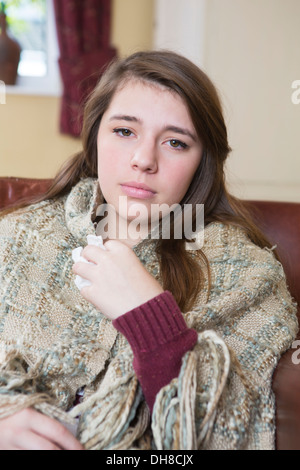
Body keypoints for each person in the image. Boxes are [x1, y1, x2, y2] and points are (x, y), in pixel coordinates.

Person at [0, 50, 297, 451]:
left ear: (202, 162)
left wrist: (150, 318)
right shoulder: (16, 238)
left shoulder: (248, 274)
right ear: (94, 137)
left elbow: (231, 432)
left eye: (175, 142)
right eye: (125, 131)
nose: (143, 160)